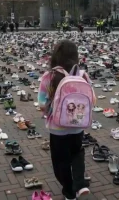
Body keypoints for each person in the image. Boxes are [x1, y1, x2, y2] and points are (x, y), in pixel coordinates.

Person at [38, 40, 91, 200]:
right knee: (76, 153)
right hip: (78, 125)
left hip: (57, 127)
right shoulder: (82, 75)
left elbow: (42, 103)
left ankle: (69, 192)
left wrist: (49, 112)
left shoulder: (50, 76)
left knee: (61, 161)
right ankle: (80, 183)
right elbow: (92, 99)